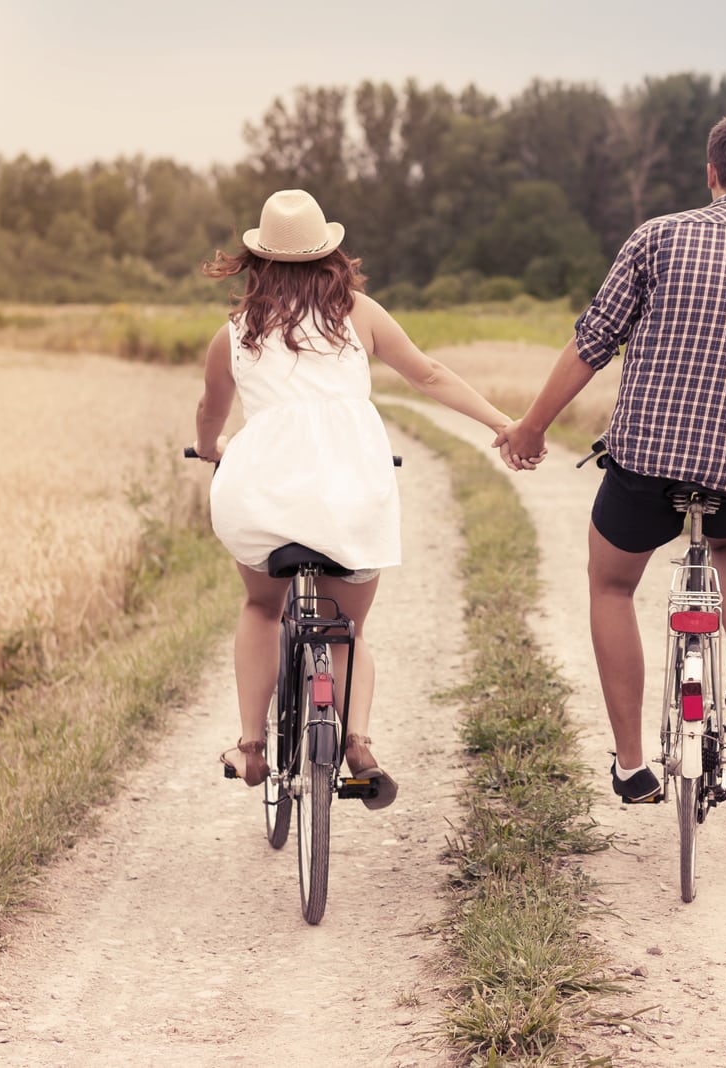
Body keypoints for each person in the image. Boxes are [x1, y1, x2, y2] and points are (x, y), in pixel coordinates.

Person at [494, 113, 726, 804]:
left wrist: (532, 426)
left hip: (646, 461)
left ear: (710, 174)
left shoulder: (658, 238)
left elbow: (592, 343)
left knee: (611, 584)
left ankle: (630, 764)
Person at [194, 188, 513, 809]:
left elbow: (210, 413)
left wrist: (211, 448)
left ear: (257, 261)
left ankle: (252, 746)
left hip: (261, 498)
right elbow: (429, 375)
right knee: (348, 626)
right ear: (328, 257)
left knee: (262, 608)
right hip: (351, 495)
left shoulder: (232, 334)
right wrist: (502, 423)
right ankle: (358, 741)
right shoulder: (360, 314)